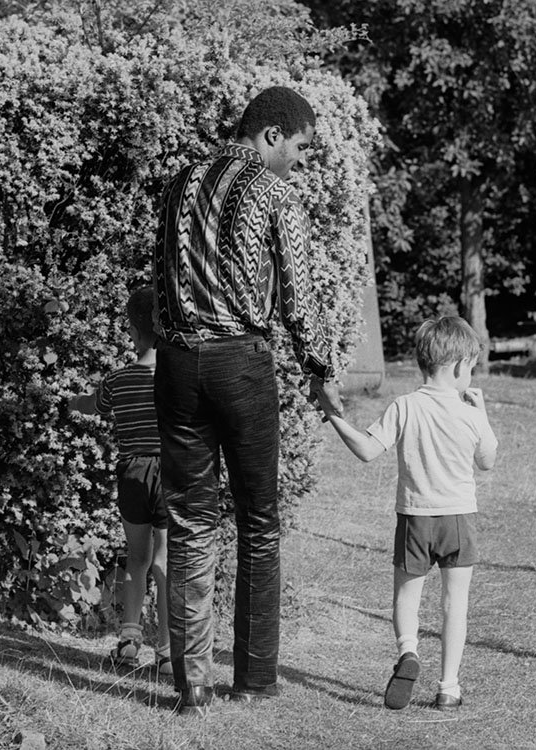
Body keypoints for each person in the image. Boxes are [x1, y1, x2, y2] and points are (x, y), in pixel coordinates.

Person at [152, 85, 341, 714]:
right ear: (271, 135)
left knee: (189, 521)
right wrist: (322, 369)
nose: (299, 161)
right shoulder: (272, 191)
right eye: (300, 147)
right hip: (240, 363)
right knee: (258, 523)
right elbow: (300, 296)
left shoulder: (179, 183)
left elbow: (161, 284)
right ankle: (256, 678)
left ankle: (192, 684)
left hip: (177, 366)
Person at [317, 316, 498, 711]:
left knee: (406, 596)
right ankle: (449, 687)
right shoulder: (470, 414)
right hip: (458, 520)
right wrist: (481, 414)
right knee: (456, 603)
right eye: (470, 368)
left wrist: (334, 416)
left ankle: (408, 651)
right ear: (457, 367)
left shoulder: (404, 406)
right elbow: (487, 460)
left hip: (415, 517)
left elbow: (366, 450)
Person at [68, 286, 172, 677]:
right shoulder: (176, 381)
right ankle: (166, 652)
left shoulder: (118, 380)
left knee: (136, 558)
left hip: (132, 474)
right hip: (169, 473)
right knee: (165, 559)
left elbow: (93, 405)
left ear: (132, 331)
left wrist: (72, 401)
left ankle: (129, 642)